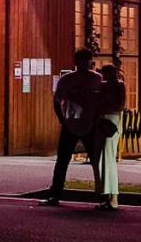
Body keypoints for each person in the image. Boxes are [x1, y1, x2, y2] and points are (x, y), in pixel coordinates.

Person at [40, 48, 102, 206]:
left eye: (87, 61)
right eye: (83, 61)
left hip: (84, 123)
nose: (85, 64)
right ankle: (56, 193)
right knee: (64, 160)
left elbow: (57, 101)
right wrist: (63, 119)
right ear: (77, 63)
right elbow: (57, 101)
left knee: (94, 160)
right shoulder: (73, 79)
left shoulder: (95, 79)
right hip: (75, 123)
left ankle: (102, 193)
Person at [96, 64, 125, 211]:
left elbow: (117, 105)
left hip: (108, 120)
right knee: (106, 158)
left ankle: (113, 196)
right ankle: (109, 196)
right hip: (112, 120)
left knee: (107, 158)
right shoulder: (118, 86)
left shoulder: (110, 87)